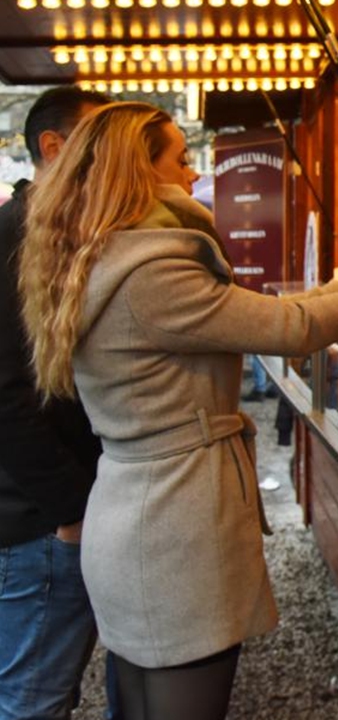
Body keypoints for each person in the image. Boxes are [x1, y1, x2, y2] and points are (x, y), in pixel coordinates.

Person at [18, 101, 338, 720]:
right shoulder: (153, 273)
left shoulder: (105, 258)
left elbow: (257, 314)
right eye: (180, 156)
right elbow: (289, 327)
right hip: (171, 532)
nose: (194, 171)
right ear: (138, 173)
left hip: (136, 516)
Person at [0, 85, 116, 720]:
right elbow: (5, 396)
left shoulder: (61, 235)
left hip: (55, 514)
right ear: (54, 147)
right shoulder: (15, 238)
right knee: (34, 701)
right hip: (39, 522)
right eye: (100, 145)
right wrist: (69, 509)